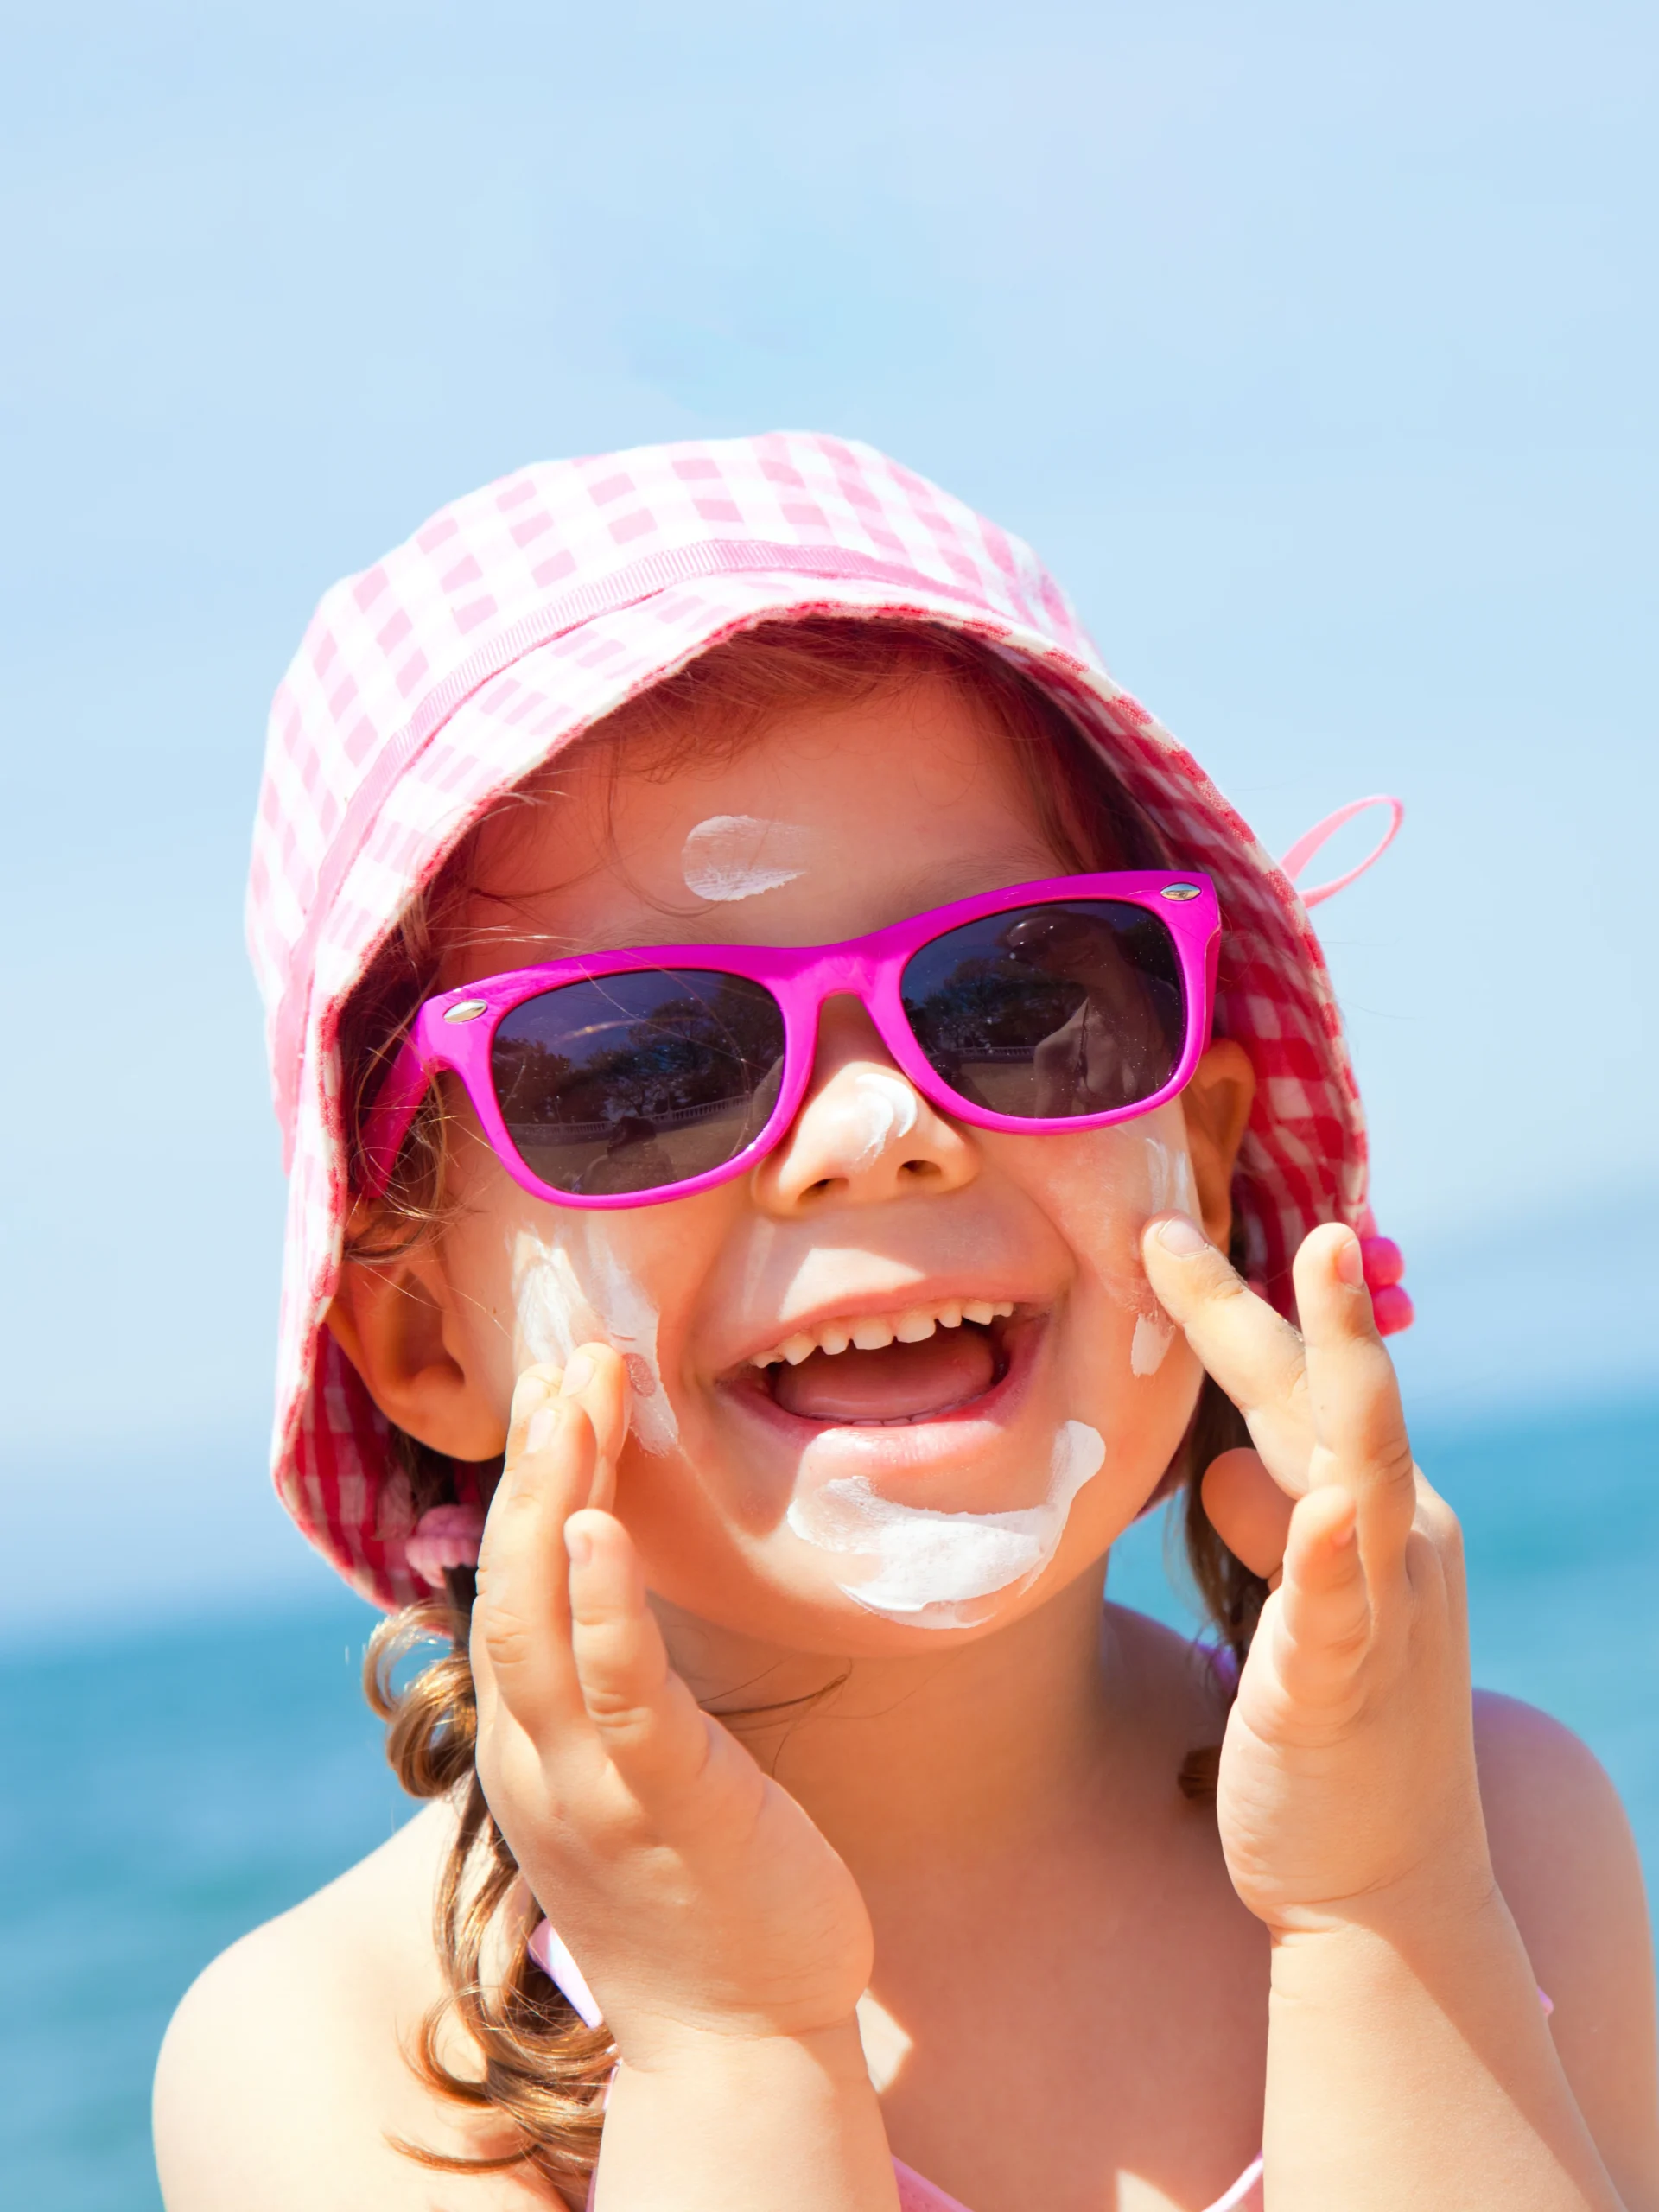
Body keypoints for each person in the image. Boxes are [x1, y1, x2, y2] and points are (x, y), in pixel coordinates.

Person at [154, 435, 1658, 2211]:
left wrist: (1385, 1915)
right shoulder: (347, 2059)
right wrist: (731, 2045)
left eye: (1017, 996)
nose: (878, 1126)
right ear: (423, 1342)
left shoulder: (1497, 1829)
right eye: (642, 1066)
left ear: (1206, 1147)